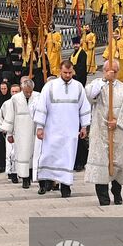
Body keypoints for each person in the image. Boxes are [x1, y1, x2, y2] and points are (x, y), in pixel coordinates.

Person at [32, 57, 92, 199]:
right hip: (52, 129)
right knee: (49, 156)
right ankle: (47, 182)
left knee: (68, 158)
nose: (67, 75)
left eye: (70, 73)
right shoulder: (50, 86)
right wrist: (40, 127)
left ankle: (66, 186)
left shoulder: (78, 87)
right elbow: (42, 107)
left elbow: (84, 107)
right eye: (65, 72)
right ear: (60, 71)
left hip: (70, 130)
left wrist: (84, 126)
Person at [84, 57, 123, 207]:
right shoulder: (96, 85)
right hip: (100, 132)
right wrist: (104, 81)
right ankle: (103, 197)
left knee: (117, 164)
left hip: (118, 131)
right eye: (108, 71)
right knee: (101, 165)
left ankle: (117, 191)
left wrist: (118, 122)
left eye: (114, 71)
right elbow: (90, 96)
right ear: (104, 71)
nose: (112, 73)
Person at [0, 77, 38, 189]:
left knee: (34, 155)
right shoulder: (15, 99)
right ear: (22, 89)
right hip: (21, 132)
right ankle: (25, 179)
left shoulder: (38, 97)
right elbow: (10, 116)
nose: (28, 94)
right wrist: (9, 133)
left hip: (34, 131)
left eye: (30, 92)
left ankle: (33, 176)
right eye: (26, 92)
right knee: (22, 156)